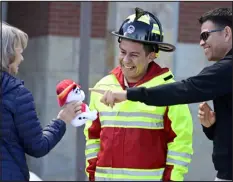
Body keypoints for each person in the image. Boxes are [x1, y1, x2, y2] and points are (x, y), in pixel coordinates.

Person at [90, 8, 232, 181]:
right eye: (122, 51)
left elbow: (187, 90)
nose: (201, 43)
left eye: (205, 36)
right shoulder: (103, 86)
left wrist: (128, 94)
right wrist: (212, 127)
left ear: (226, 33)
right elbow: (93, 140)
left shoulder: (225, 70)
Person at [0, 22, 82, 181]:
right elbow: (37, 147)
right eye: (19, 51)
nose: (22, 58)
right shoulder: (17, 94)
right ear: (8, 54)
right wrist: (62, 119)